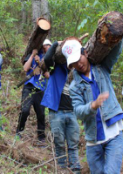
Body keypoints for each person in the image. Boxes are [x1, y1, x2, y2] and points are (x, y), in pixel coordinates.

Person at [65, 38, 123, 173]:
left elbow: (115, 52)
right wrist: (93, 105)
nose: (78, 64)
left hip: (114, 134)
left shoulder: (102, 69)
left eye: (78, 58)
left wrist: (117, 33)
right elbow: (78, 111)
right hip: (93, 140)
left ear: (85, 53)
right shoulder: (74, 87)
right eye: (73, 63)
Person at [41, 39, 81, 172]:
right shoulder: (56, 68)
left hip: (72, 112)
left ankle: (76, 169)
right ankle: (62, 169)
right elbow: (47, 59)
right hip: (56, 111)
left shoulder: (78, 72)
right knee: (59, 143)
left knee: (73, 144)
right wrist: (56, 44)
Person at [16, 39, 51, 142]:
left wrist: (40, 65)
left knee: (41, 114)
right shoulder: (35, 53)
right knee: (25, 110)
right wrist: (32, 55)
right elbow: (25, 69)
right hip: (29, 86)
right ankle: (19, 131)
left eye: (49, 46)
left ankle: (41, 137)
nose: (47, 48)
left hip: (40, 88)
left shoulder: (49, 59)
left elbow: (48, 75)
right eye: (46, 46)